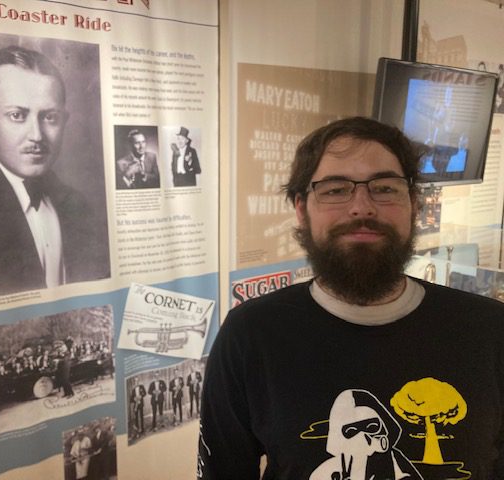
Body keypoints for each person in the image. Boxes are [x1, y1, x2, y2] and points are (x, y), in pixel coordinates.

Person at [198, 117, 504, 479]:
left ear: (415, 205)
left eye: (385, 188)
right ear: (301, 208)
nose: (361, 207)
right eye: (335, 189)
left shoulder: (490, 330)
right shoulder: (251, 334)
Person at [0, 45, 110, 302]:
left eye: (49, 117)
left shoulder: (80, 207)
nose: (37, 136)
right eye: (17, 115)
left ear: (64, 120)